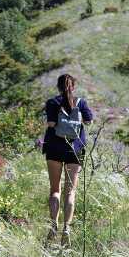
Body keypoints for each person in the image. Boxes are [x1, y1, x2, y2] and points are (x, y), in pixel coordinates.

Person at [39, 74, 93, 246]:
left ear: (58, 87)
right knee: (70, 192)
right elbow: (89, 121)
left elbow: (52, 124)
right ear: (73, 87)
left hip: (54, 148)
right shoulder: (81, 102)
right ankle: (67, 228)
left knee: (55, 190)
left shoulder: (52, 102)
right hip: (75, 150)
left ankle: (53, 225)